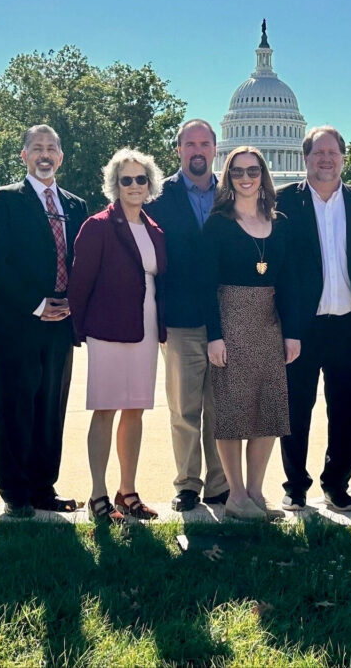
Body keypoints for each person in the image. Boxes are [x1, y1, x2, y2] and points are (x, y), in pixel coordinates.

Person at [276, 126, 351, 512]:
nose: (326, 159)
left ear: (343, 156)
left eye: (333, 152)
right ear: (305, 158)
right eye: (317, 152)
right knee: (294, 409)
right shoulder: (280, 203)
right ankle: (295, 484)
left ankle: (336, 483)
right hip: (300, 327)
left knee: (346, 409)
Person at [0, 125, 88, 518]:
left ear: (61, 157)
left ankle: (44, 487)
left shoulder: (76, 205)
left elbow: (86, 261)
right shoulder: (4, 200)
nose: (45, 154)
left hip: (62, 324)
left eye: (52, 148)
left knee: (51, 408)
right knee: (16, 406)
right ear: (24, 156)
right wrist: (36, 303)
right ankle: (15, 492)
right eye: (37, 148)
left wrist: (73, 303)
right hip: (19, 322)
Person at [68, 149, 167, 521]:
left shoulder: (154, 228)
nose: (134, 186)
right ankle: (98, 494)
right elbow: (80, 283)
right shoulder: (97, 226)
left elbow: (160, 280)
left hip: (145, 325)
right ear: (115, 184)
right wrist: (78, 330)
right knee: (105, 409)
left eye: (141, 179)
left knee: (136, 410)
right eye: (126, 179)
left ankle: (128, 491)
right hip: (108, 329)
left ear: (150, 184)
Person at [203, 146, 300, 520]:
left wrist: (291, 332)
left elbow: (289, 281)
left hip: (268, 322)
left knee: (269, 408)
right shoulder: (218, 223)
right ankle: (236, 495)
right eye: (238, 172)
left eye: (253, 171)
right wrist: (215, 335)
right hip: (230, 319)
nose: (246, 178)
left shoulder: (281, 222)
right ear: (228, 177)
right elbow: (205, 284)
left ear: (264, 174)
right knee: (233, 410)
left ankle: (256, 493)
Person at [144, 120, 230, 512]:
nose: (197, 150)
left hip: (228, 318)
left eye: (204, 144)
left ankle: (219, 483)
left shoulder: (231, 194)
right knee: (184, 409)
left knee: (220, 407)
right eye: (189, 144)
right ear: (178, 149)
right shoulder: (158, 198)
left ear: (215, 148)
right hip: (179, 320)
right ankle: (187, 484)